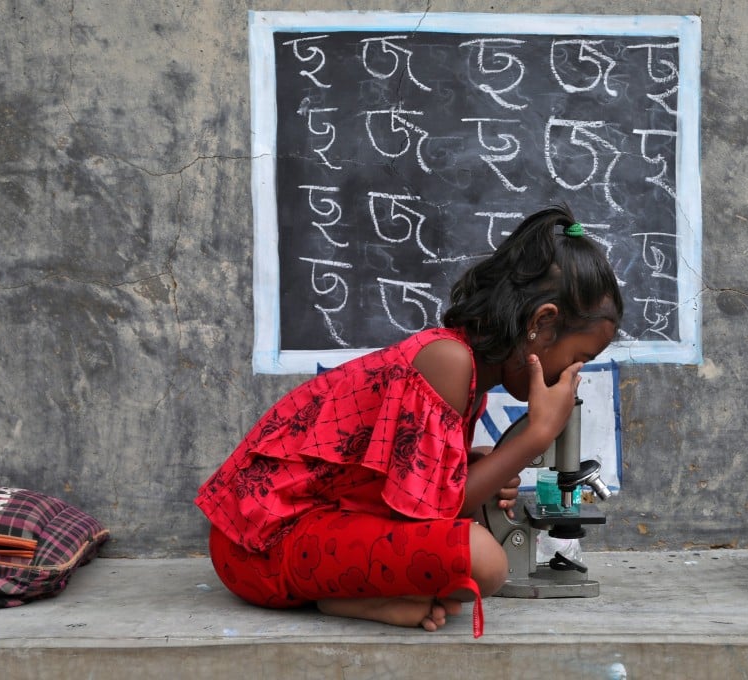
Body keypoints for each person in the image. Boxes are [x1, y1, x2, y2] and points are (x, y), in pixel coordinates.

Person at [195, 204, 623, 637]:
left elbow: (403, 494)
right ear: (542, 323)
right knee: (485, 562)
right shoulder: (448, 361)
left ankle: (357, 597)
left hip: (305, 532)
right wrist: (536, 435)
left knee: (473, 554)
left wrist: (472, 467)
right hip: (259, 547)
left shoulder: (466, 369)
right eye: (577, 359)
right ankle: (346, 597)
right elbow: (437, 516)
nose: (573, 376)